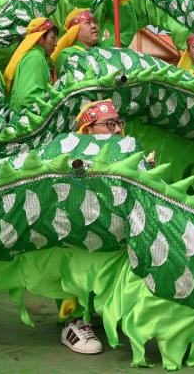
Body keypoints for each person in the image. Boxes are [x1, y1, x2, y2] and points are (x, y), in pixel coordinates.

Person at [53, 98, 126, 355]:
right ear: (88, 130)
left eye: (119, 122)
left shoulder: (127, 153)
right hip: (78, 241)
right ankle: (72, 321)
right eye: (109, 124)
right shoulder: (71, 161)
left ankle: (101, 309)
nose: (118, 129)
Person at [5, 17, 59, 111]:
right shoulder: (34, 57)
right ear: (40, 38)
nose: (56, 44)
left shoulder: (40, 57)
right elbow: (29, 99)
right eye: (53, 38)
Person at [51, 8, 100, 74]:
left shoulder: (102, 48)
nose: (94, 26)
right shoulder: (67, 54)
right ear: (75, 30)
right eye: (88, 23)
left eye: (95, 22)